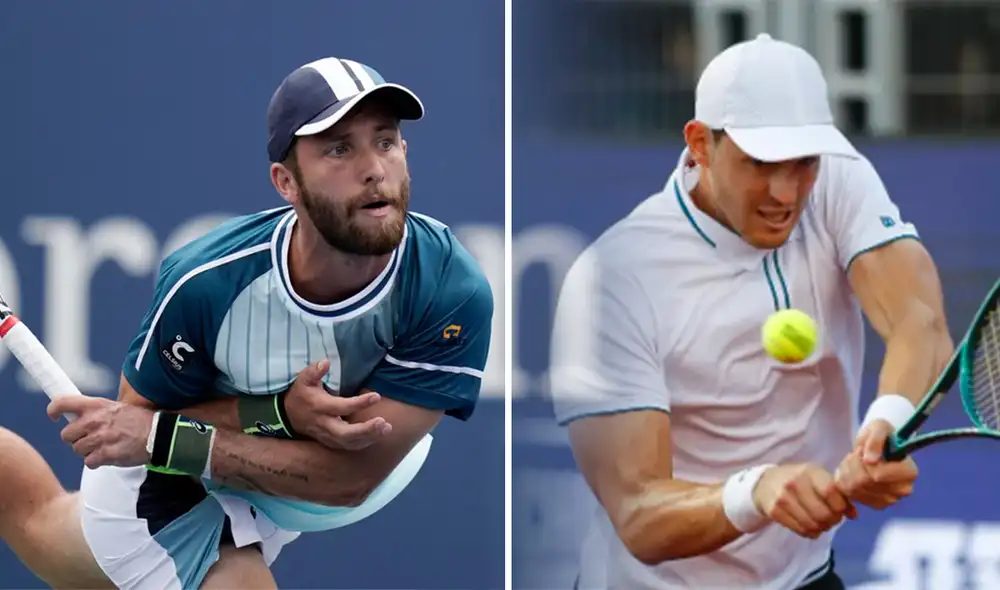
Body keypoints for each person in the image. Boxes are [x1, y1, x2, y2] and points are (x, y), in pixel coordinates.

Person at [0, 56, 493, 589]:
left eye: (386, 141)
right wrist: (275, 414)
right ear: (286, 182)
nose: (374, 168)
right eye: (338, 148)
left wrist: (271, 416)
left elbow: (350, 478)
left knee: (42, 520)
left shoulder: (449, 285)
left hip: (279, 493)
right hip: (171, 475)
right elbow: (139, 433)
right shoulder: (207, 281)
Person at [549, 34, 952, 589]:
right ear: (700, 143)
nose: (786, 193)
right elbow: (639, 514)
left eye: (803, 162)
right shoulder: (614, 280)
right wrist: (755, 491)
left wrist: (888, 423)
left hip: (805, 578)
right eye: (760, 163)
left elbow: (919, 319)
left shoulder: (835, 178)